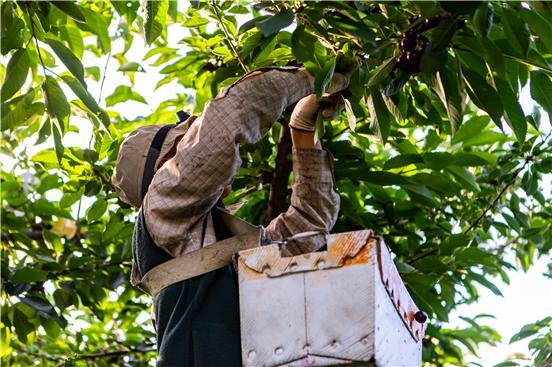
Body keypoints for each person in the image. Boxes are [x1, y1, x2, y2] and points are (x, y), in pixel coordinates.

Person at [111, 67, 348, 366]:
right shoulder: (161, 202)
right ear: (164, 163)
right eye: (186, 143)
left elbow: (308, 225)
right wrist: (316, 76)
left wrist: (302, 129)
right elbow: (229, 117)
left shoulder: (207, 241)